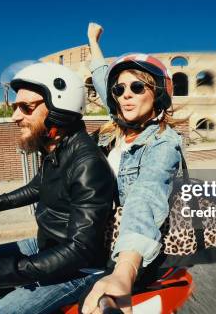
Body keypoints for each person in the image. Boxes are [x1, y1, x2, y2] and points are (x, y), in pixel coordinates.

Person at [0, 62, 117, 314]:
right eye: (14, 107)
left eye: (26, 107)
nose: (15, 116)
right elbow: (36, 188)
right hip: (47, 245)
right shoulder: (57, 149)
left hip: (77, 269)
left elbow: (80, 250)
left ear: (60, 109)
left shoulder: (87, 163)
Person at [81, 23, 183, 314]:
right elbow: (103, 78)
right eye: (120, 89)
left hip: (131, 250)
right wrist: (92, 41)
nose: (126, 94)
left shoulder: (163, 142)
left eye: (137, 87)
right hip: (96, 237)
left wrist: (124, 271)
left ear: (157, 94)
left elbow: (146, 195)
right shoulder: (117, 127)